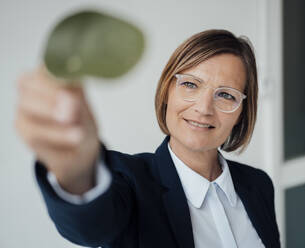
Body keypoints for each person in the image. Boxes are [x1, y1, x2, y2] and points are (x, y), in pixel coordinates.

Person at [15, 29, 281, 248]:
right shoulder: (129, 181)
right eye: (190, 84)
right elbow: (90, 227)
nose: (203, 108)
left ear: (242, 112)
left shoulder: (258, 185)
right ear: (167, 90)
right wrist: (77, 171)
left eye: (226, 95)